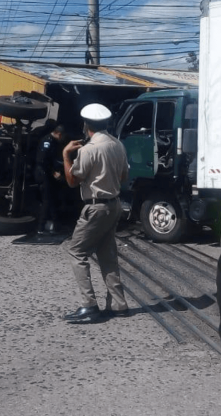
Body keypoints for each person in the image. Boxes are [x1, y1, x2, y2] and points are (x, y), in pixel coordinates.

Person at [61, 104, 130, 324]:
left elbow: (72, 181)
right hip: (114, 204)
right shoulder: (117, 145)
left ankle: (89, 306)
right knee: (107, 253)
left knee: (76, 251)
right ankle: (118, 304)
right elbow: (123, 177)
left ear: (86, 125)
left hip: (95, 206)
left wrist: (65, 155)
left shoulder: (88, 150)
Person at [35, 125, 65, 235]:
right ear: (59, 134)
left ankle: (55, 226)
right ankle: (40, 228)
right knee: (46, 201)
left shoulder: (54, 142)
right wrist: (53, 172)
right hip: (43, 174)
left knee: (52, 200)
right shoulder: (47, 141)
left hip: (49, 174)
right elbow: (42, 160)